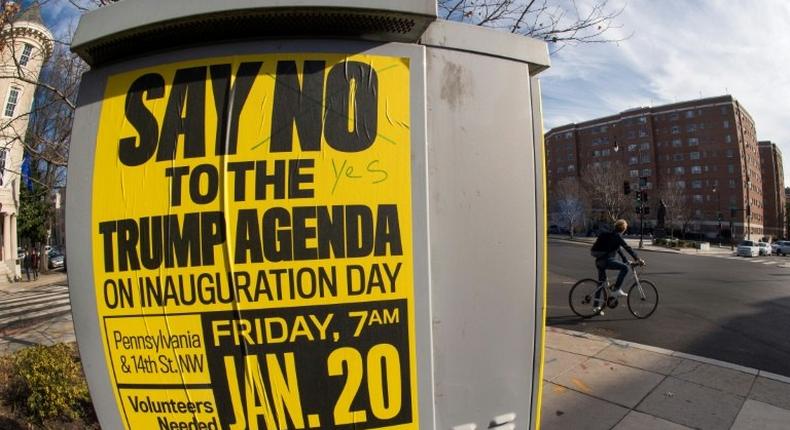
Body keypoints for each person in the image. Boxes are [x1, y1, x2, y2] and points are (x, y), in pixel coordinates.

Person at [590, 219, 644, 312]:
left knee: (601, 284)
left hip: (599, 261)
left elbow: (619, 250)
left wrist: (625, 260)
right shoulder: (617, 237)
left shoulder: (610, 235)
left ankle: (596, 306)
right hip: (605, 260)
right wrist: (638, 259)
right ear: (623, 229)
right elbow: (627, 248)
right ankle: (616, 289)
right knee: (625, 268)